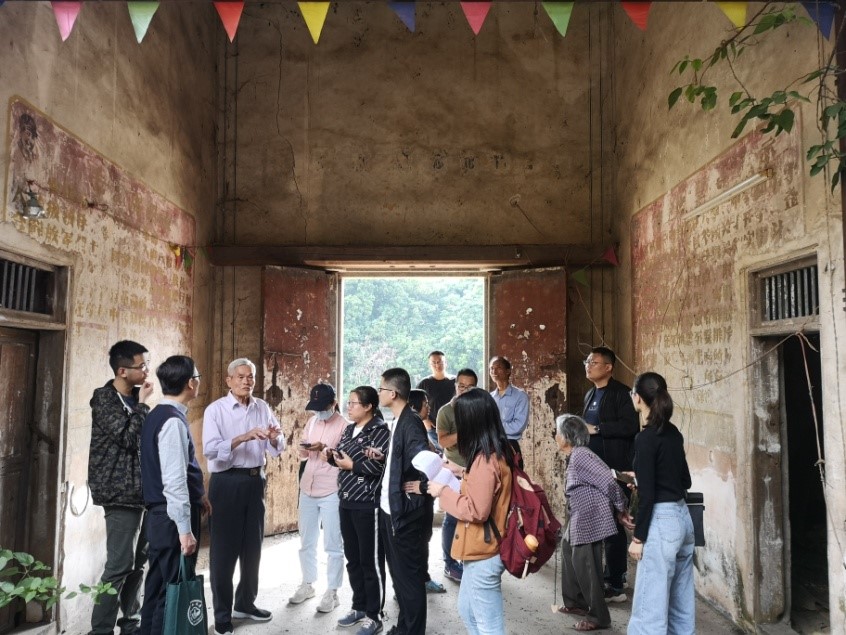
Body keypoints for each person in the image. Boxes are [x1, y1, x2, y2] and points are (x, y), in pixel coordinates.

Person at [203, 358, 285, 634]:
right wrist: (244, 437)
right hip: (226, 483)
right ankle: (222, 615)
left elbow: (279, 446)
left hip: (255, 481)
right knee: (223, 552)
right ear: (229, 380)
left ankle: (245, 603)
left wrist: (273, 437)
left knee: (253, 548)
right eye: (240, 376)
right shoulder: (216, 410)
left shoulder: (262, 407)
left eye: (250, 376)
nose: (246, 381)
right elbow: (211, 450)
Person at [424, 388, 513, 635]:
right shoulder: (496, 450)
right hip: (481, 549)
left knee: (488, 626)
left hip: (485, 551)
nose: (458, 426)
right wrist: (462, 471)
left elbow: (476, 510)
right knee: (468, 611)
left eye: (461, 418)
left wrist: (442, 491)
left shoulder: (485, 459)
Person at [139, 356, 211, 635]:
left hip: (160, 516)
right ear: (190, 383)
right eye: (197, 377)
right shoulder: (172, 422)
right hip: (170, 518)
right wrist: (185, 530)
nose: (198, 382)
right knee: (171, 593)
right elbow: (174, 481)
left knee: (157, 588)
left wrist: (199, 495)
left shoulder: (157, 415)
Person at [88, 340, 153, 635]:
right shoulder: (104, 399)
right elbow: (127, 438)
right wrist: (143, 406)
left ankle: (131, 623)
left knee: (139, 563)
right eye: (142, 366)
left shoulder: (136, 400)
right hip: (118, 492)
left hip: (143, 493)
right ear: (122, 370)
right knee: (118, 566)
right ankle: (100, 630)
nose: (147, 370)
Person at [627, 372, 695, 635]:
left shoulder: (645, 438)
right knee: (681, 606)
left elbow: (648, 496)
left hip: (661, 522)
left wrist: (638, 538)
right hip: (683, 518)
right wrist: (643, 476)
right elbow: (685, 480)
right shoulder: (673, 433)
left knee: (649, 610)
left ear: (638, 398)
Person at [554, 415, 629, 633]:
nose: (555, 436)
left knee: (585, 563)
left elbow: (609, 481)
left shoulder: (581, 456)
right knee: (567, 548)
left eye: (558, 432)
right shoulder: (576, 455)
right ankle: (576, 601)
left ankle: (598, 616)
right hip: (580, 512)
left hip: (589, 515)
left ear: (567, 436)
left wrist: (621, 508)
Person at [328, 386, 390, 635]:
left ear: (368, 407)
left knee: (370, 562)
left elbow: (382, 467)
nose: (349, 406)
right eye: (349, 402)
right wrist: (331, 456)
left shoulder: (380, 431)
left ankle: (375, 616)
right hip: (346, 501)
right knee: (353, 559)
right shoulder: (349, 428)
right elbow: (343, 457)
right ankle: (360, 607)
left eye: (354, 403)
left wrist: (352, 465)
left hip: (367, 504)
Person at [581, 346, 639, 601]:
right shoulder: (590, 394)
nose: (588, 365)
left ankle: (616, 583)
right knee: (600, 523)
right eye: (587, 362)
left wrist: (598, 429)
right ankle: (606, 576)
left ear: (608, 367)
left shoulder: (621, 393)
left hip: (614, 469)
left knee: (614, 524)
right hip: (592, 470)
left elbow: (630, 426)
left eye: (593, 362)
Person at [376, 368, 430, 635]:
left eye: (381, 389)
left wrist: (423, 485)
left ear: (393, 393)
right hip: (391, 509)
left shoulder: (411, 423)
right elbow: (402, 459)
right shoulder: (398, 419)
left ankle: (412, 631)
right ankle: (403, 628)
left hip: (405, 514)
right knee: (399, 576)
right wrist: (384, 457)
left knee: (409, 579)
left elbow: (426, 461)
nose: (379, 393)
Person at [288, 383, 346, 613]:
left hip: (332, 489)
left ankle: (332, 591)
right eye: (316, 407)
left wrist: (325, 448)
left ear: (333, 404)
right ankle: (307, 584)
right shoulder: (312, 422)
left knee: (333, 543)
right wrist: (304, 448)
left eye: (323, 407)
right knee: (307, 541)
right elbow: (303, 454)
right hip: (308, 487)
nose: (319, 411)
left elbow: (345, 458)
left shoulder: (344, 425)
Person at [435, 367, 478, 583]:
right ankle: (450, 563)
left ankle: (470, 560)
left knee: (475, 517)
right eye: (461, 386)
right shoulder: (445, 412)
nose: (465, 390)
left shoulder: (479, 409)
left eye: (470, 387)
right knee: (452, 518)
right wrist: (465, 432)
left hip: (477, 470)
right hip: (454, 471)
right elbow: (443, 441)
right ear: (455, 386)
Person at [407, 389, 446, 594]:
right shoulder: (411, 429)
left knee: (423, 536)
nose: (429, 408)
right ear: (415, 406)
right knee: (417, 539)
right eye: (426, 404)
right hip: (417, 493)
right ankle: (413, 583)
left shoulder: (420, 428)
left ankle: (421, 578)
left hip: (424, 491)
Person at [488, 356, 529, 468]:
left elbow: (518, 426)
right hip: (491, 446)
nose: (494, 371)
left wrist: (494, 428)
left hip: (510, 446)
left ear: (508, 371)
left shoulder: (520, 396)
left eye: (498, 367)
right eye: (491, 368)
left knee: (513, 477)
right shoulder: (489, 397)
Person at [416, 351, 455, 440]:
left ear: (446, 363)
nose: (437, 365)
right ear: (430, 365)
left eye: (440, 362)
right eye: (434, 363)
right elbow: (414, 404)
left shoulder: (455, 381)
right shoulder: (424, 383)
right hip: (433, 428)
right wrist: (425, 421)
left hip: (454, 426)